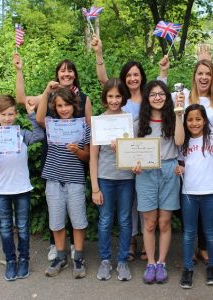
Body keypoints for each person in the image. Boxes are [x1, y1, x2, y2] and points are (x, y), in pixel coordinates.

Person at [91, 34, 168, 261]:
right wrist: (98, 53)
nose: (133, 78)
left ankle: (145, 243)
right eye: (129, 75)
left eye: (136, 74)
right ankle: (132, 242)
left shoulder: (148, 96)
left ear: (141, 77)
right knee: (127, 211)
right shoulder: (117, 99)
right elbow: (104, 80)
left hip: (139, 160)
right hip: (111, 168)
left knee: (141, 204)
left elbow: (160, 92)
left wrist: (163, 72)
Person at [161, 55, 213, 263]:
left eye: (208, 74)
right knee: (189, 207)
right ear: (194, 76)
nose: (204, 77)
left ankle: (203, 248)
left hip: (211, 157)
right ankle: (191, 251)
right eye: (200, 73)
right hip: (185, 157)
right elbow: (158, 98)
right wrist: (163, 73)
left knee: (206, 203)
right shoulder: (184, 95)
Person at [13, 54, 92, 261]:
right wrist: (19, 70)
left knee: (75, 205)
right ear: (57, 74)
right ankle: (56, 248)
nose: (66, 73)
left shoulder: (84, 98)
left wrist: (81, 149)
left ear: (75, 75)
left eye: (70, 70)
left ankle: (77, 247)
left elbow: (89, 128)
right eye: (62, 70)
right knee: (55, 204)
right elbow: (22, 100)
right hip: (54, 154)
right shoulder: (50, 94)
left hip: (76, 156)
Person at [0, 95, 44, 281]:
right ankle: (10, 261)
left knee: (23, 227)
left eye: (10, 114)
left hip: (22, 188)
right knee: (6, 228)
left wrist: (31, 115)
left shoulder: (22, 135)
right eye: (3, 114)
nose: (7, 118)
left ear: (16, 114)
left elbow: (39, 135)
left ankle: (24, 259)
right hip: (2, 191)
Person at [175, 104, 213, 289]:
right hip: (189, 194)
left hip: (210, 192)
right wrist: (179, 168)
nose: (194, 123)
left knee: (210, 232)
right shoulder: (183, 141)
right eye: (190, 119)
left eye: (198, 119)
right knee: (188, 233)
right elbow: (180, 164)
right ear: (186, 122)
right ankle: (188, 268)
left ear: (205, 120)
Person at [132, 80, 184, 284]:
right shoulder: (139, 123)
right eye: (153, 94)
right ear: (147, 98)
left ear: (167, 97)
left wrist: (179, 114)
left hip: (169, 171)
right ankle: (151, 263)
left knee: (164, 222)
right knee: (150, 222)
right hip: (146, 174)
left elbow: (179, 142)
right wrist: (133, 165)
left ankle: (162, 262)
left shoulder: (173, 118)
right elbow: (132, 151)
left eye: (161, 93)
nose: (158, 97)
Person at [36, 85, 91, 278]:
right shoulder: (51, 124)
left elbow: (88, 157)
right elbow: (39, 119)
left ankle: (79, 257)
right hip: (53, 180)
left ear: (74, 105)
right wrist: (45, 93)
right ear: (55, 107)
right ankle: (60, 257)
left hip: (75, 180)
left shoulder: (83, 126)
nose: (64, 109)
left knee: (78, 221)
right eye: (59, 106)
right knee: (56, 222)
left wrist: (77, 151)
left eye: (67, 105)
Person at [89, 78, 134, 281]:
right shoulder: (98, 121)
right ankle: (105, 261)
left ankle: (123, 261)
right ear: (105, 98)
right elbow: (93, 156)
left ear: (123, 97)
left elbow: (134, 153)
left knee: (125, 220)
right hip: (105, 178)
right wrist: (94, 187)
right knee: (105, 220)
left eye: (117, 96)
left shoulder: (128, 120)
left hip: (126, 178)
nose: (114, 100)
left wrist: (123, 148)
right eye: (110, 96)